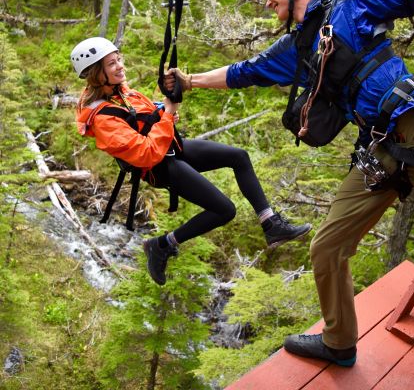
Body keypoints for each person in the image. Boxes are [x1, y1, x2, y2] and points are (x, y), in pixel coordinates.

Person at [164, 0, 414, 365]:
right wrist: (189, 81)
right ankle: (339, 342)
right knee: (327, 247)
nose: (268, 2)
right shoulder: (295, 48)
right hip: (379, 148)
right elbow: (242, 72)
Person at [70, 37, 311, 286]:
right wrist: (169, 112)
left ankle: (271, 224)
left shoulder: (120, 92)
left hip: (172, 147)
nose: (120, 65)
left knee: (239, 157)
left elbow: (148, 116)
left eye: (118, 59)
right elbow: (146, 153)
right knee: (225, 210)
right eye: (112, 64)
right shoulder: (102, 119)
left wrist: (166, 100)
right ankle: (161, 245)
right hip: (160, 166)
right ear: (97, 74)